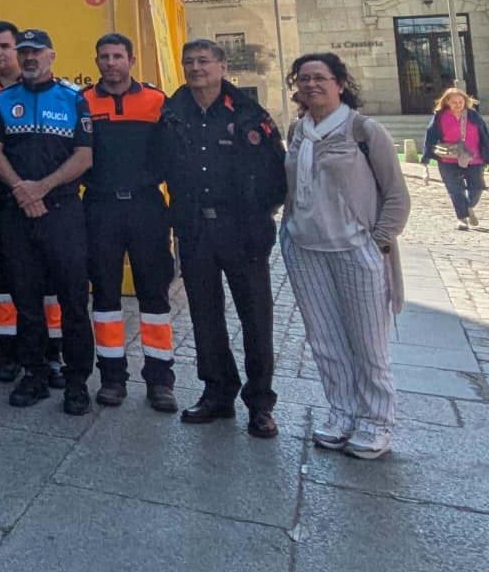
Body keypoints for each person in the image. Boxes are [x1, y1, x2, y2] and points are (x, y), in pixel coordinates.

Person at [283, 54, 410, 460]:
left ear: (340, 83)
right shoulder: (297, 132)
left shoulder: (363, 130)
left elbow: (396, 195)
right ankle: (342, 411)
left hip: (355, 249)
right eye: (303, 79)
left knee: (368, 342)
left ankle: (376, 420)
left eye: (320, 77)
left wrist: (378, 242)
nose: (311, 85)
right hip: (305, 250)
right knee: (325, 339)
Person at [157, 39, 286, 438]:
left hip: (242, 230)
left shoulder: (248, 112)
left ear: (221, 65)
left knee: (255, 318)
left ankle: (260, 403)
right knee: (205, 317)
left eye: (204, 61)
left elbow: (274, 172)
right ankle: (217, 393)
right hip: (194, 230)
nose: (196, 68)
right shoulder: (172, 112)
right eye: (189, 61)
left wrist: (260, 217)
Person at [0, 29, 95, 415]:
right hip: (17, 212)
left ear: (51, 55)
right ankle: (34, 374)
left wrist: (41, 188)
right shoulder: (4, 99)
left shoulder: (73, 99)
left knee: (73, 301)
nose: (29, 58)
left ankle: (77, 381)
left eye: (36, 52)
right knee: (26, 300)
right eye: (24, 52)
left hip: (62, 211)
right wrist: (20, 189)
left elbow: (84, 157)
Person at [80, 33, 176, 412]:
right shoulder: (83, 102)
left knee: (154, 295)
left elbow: (171, 155)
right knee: (104, 294)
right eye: (104, 56)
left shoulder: (155, 101)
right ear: (97, 60)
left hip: (146, 206)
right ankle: (112, 377)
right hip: (100, 207)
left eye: (118, 56)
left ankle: (160, 380)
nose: (110, 63)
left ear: (131, 61)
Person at [0, 20, 58, 383]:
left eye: (5, 46)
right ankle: (8, 352)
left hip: (42, 199)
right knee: (2, 276)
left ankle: (52, 352)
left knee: (48, 277)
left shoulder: (41, 87)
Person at [420, 87, 488, 231]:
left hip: (474, 159)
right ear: (447, 102)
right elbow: (430, 137)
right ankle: (462, 218)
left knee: (476, 188)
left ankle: (468, 206)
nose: (458, 104)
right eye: (454, 102)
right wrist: (426, 160)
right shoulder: (440, 116)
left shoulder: (473, 116)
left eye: (461, 101)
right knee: (455, 190)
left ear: (465, 101)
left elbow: (484, 135)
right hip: (448, 159)